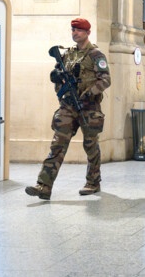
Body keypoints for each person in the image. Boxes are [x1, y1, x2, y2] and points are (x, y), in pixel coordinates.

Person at [26, 18, 111, 200]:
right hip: (68, 106)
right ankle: (44, 185)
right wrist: (56, 78)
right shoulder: (67, 54)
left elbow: (105, 80)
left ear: (88, 32)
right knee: (57, 144)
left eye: (79, 30)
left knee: (90, 145)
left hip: (88, 107)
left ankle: (93, 182)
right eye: (73, 30)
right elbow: (57, 75)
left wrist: (89, 93)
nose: (75, 33)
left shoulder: (96, 55)